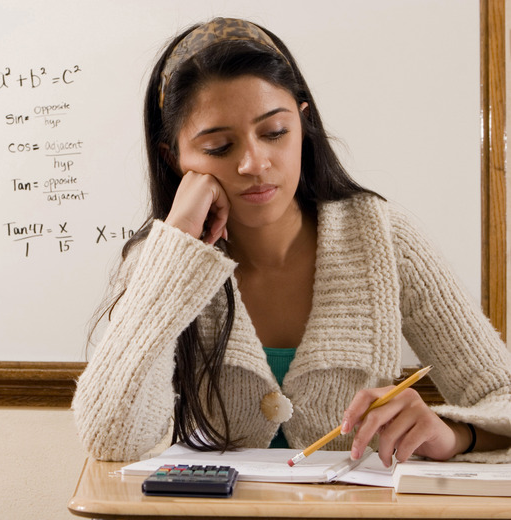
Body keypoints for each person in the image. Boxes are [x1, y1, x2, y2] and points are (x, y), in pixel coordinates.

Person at [72, 17, 511, 465]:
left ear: (303, 124)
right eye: (219, 146)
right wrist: (174, 252)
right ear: (174, 159)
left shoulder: (386, 240)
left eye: (275, 133)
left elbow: (503, 395)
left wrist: (455, 434)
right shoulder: (159, 261)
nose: (254, 163)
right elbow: (112, 439)